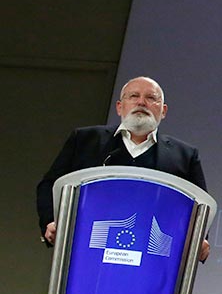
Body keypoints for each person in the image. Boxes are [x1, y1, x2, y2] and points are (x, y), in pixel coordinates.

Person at [36, 76, 210, 260]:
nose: (141, 102)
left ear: (163, 110)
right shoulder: (86, 140)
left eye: (151, 98)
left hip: (154, 260)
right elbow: (50, 184)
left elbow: (200, 205)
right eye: (133, 96)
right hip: (87, 253)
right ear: (119, 106)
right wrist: (50, 221)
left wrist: (201, 240)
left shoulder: (184, 155)